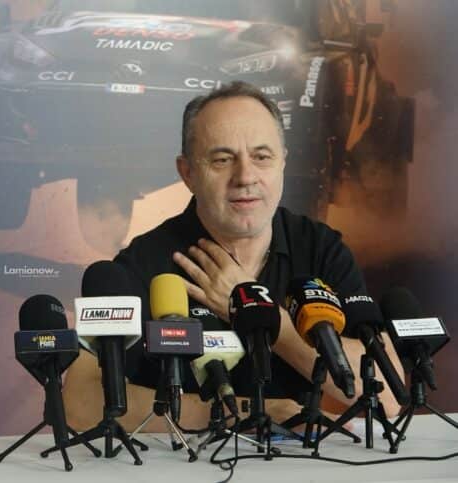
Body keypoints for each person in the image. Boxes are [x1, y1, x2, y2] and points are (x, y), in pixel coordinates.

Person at [63, 81, 404, 431]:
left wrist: (265, 316)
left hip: (298, 459)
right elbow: (81, 402)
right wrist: (245, 413)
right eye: (222, 160)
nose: (245, 177)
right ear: (187, 173)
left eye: (261, 157)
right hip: (181, 458)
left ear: (282, 163)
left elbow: (389, 395)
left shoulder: (319, 247)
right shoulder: (144, 262)